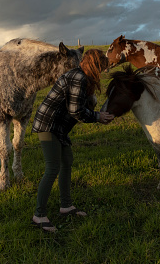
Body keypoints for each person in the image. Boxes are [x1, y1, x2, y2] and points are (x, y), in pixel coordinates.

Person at [31, 48, 114, 233]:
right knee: (52, 168)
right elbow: (75, 111)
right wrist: (98, 117)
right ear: (94, 66)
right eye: (100, 68)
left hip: (58, 127)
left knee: (66, 162)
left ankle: (66, 205)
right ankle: (39, 215)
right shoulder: (79, 77)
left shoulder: (80, 75)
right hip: (48, 125)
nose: (101, 73)